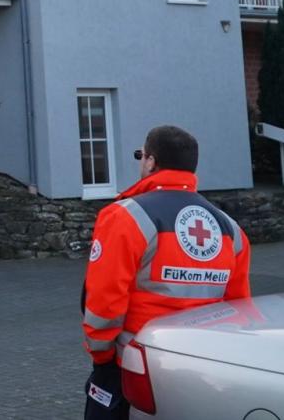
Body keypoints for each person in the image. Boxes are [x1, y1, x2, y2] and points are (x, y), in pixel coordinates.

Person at [81, 125, 251, 419]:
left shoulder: (125, 216)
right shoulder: (229, 229)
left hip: (133, 367)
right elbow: (239, 308)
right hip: (202, 369)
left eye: (141, 156)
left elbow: (105, 301)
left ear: (150, 161)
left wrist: (101, 356)